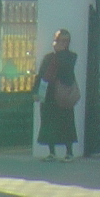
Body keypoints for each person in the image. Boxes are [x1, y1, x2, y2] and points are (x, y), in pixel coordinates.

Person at [34, 28, 78, 161]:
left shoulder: (71, 56)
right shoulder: (48, 57)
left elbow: (66, 71)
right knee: (48, 123)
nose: (62, 43)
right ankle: (51, 152)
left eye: (65, 41)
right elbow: (41, 74)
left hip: (63, 94)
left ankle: (69, 152)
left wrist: (61, 53)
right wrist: (35, 91)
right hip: (49, 94)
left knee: (66, 123)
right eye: (59, 40)